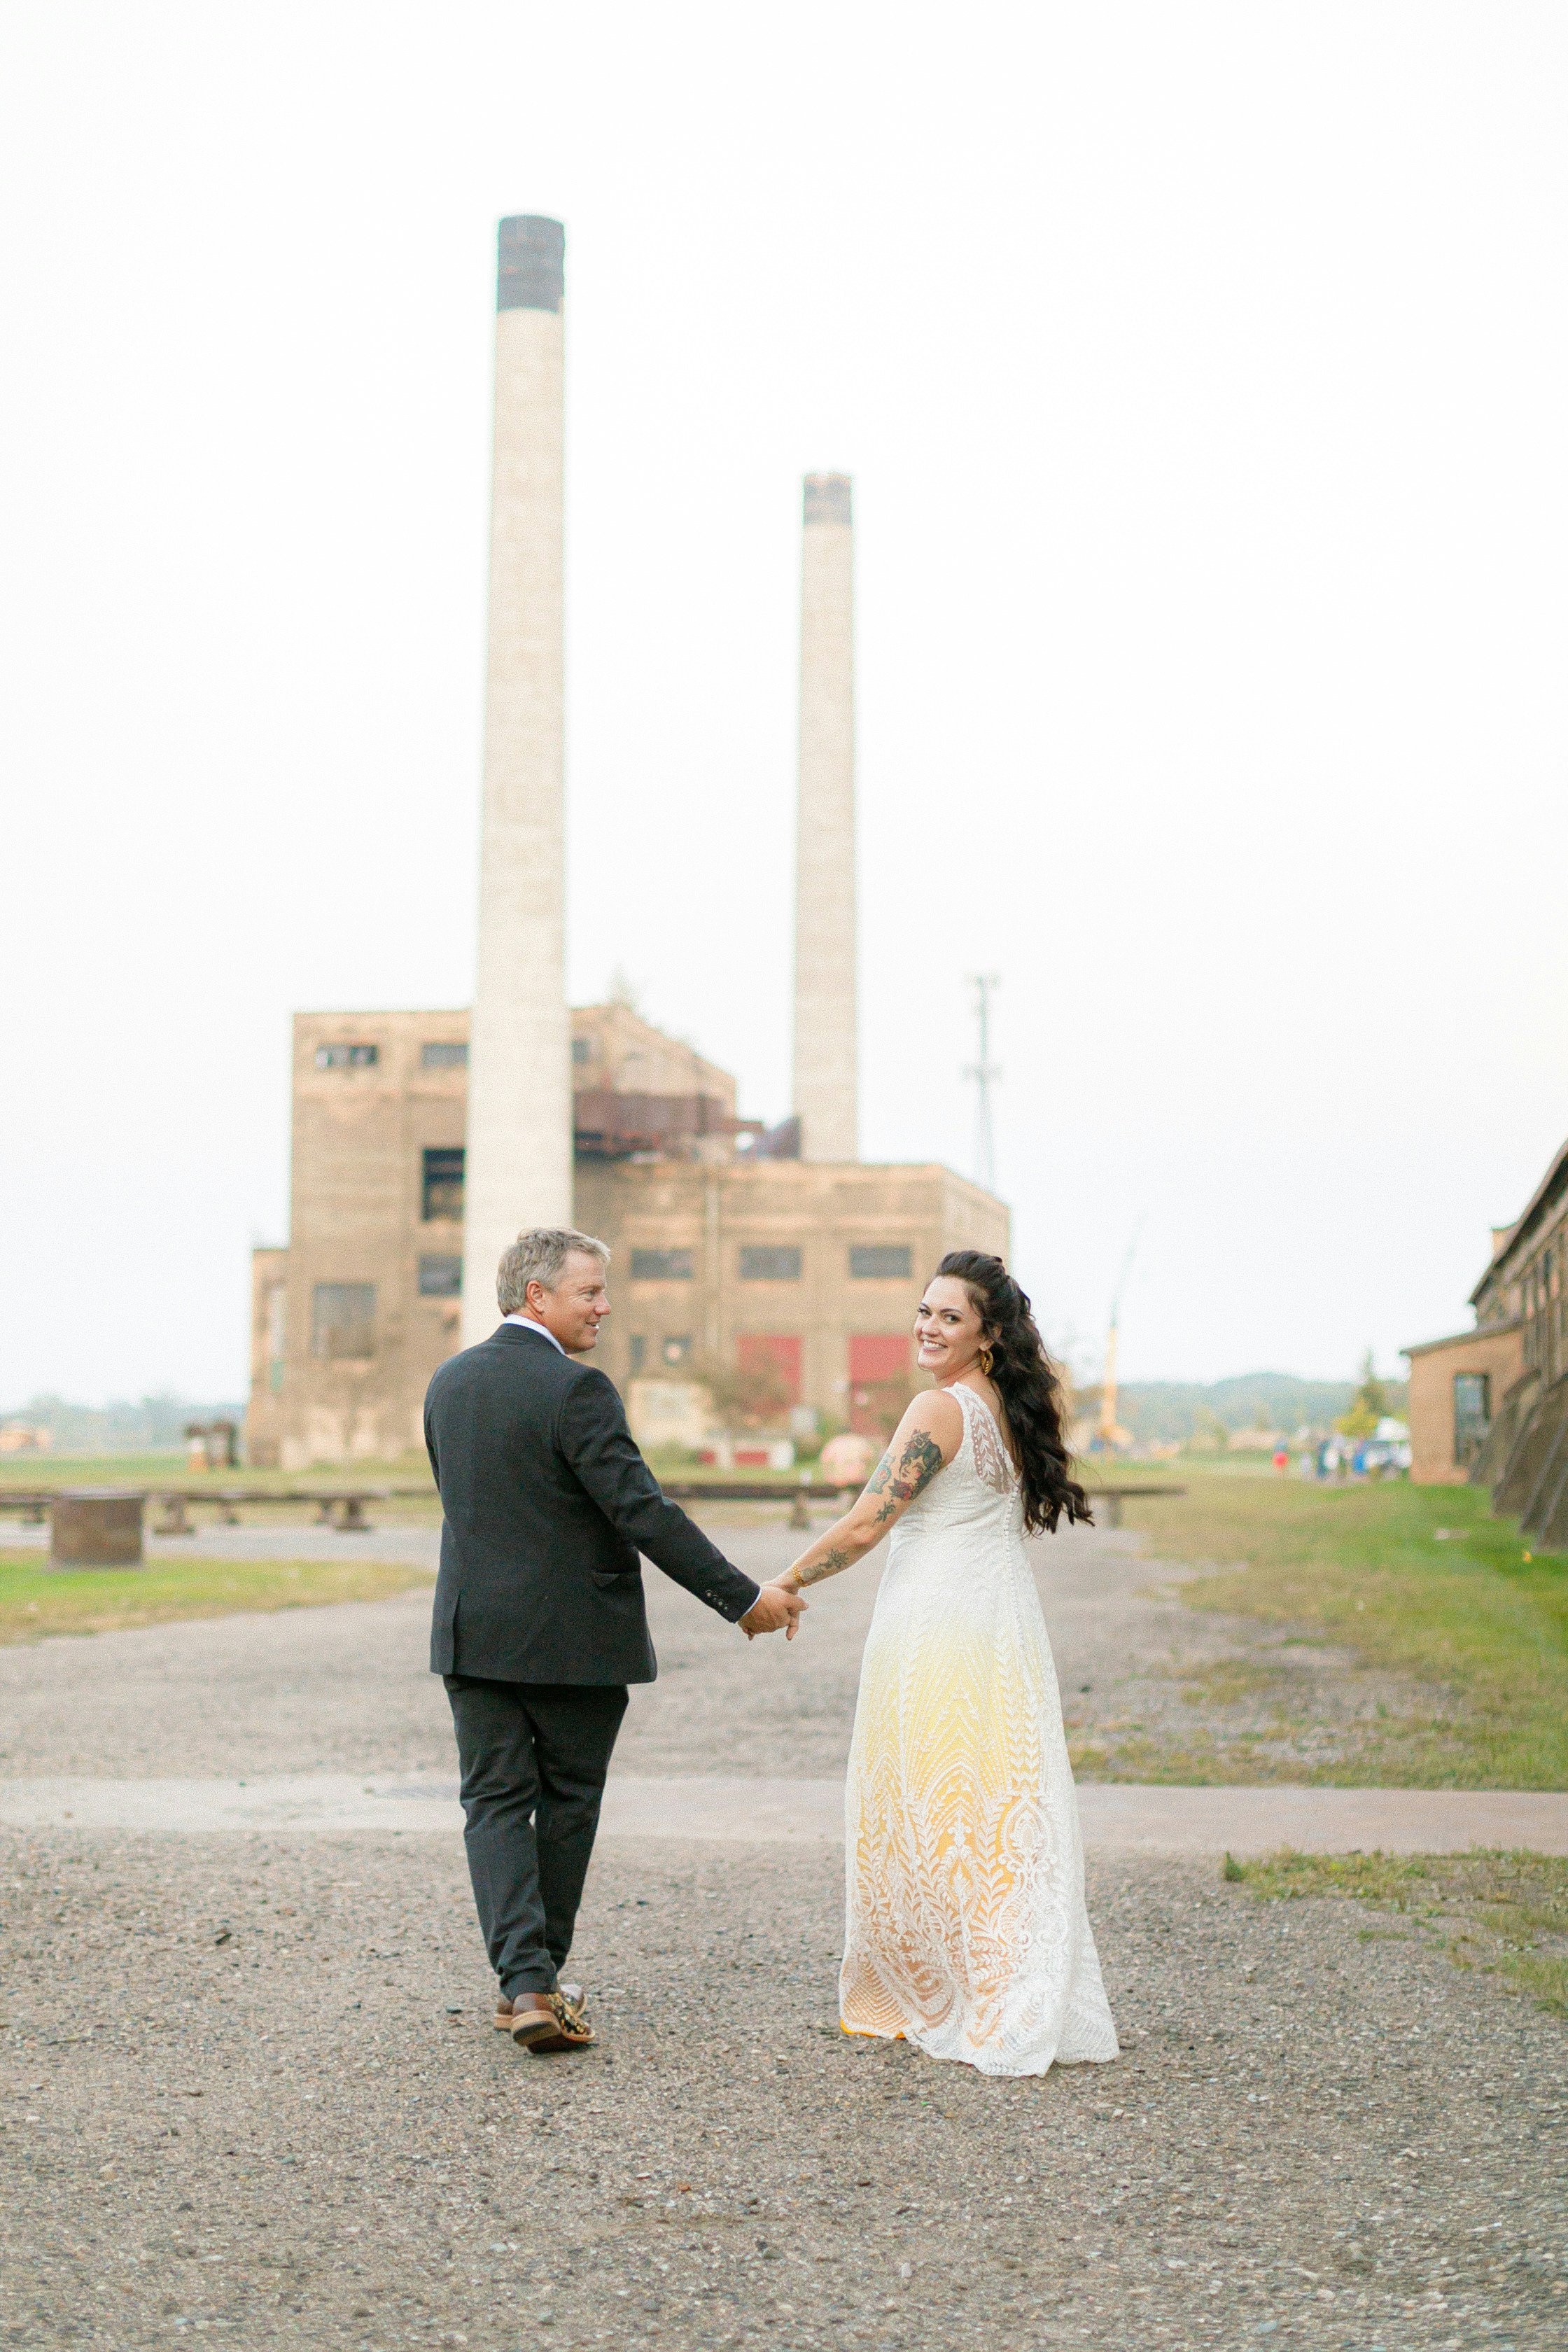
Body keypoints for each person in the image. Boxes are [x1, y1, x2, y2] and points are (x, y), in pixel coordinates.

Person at [424, 1226, 803, 2056]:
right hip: (573, 1643)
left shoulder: (447, 1384)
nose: (604, 1305)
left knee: (491, 1803)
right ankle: (536, 1986)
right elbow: (642, 1513)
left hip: (471, 1633)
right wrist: (741, 1599)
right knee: (564, 1805)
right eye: (589, 1291)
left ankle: (524, 1984)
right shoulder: (577, 1390)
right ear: (538, 1298)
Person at [754, 1250, 1119, 2078]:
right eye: (923, 1311)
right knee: (991, 1800)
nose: (927, 1326)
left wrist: (780, 1584)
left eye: (948, 1317)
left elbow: (860, 1526)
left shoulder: (938, 1408)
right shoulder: (1011, 1408)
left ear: (985, 1336)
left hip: (937, 1625)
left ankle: (944, 1986)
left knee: (926, 1798)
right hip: (1001, 1623)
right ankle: (992, 1974)